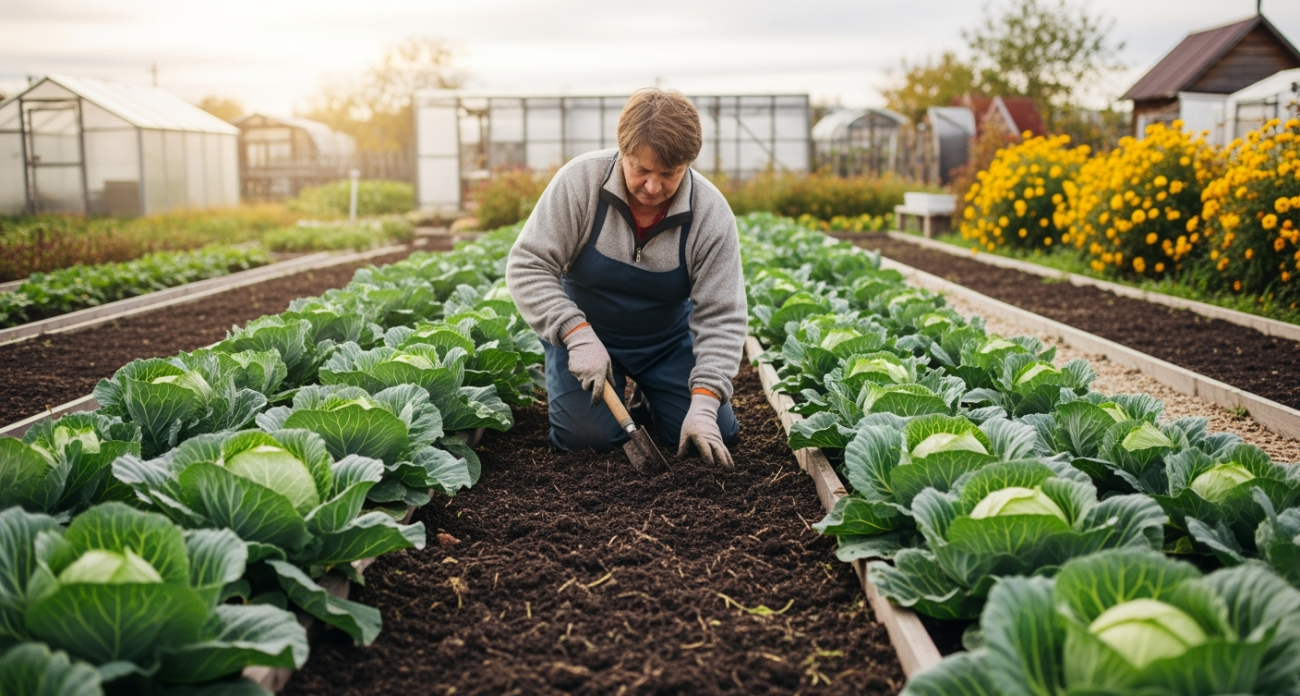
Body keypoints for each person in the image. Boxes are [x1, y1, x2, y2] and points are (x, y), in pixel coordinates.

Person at [506, 88, 747, 467]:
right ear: (622, 151)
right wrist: (575, 334)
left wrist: (704, 402)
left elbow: (723, 315)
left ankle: (653, 395)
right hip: (586, 337)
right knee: (588, 438)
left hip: (665, 342)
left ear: (688, 163)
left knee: (716, 430)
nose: (653, 187)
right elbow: (528, 265)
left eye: (669, 174)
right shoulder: (580, 183)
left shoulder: (710, 213)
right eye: (641, 170)